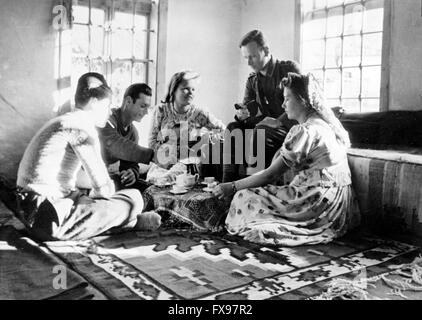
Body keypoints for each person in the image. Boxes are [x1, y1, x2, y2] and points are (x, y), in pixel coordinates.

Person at [213, 72, 360, 247]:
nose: (283, 105)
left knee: (243, 196)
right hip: (340, 202)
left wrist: (231, 186)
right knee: (265, 191)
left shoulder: (305, 131)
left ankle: (270, 225)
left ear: (304, 100)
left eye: (287, 99)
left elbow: (269, 176)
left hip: (316, 202)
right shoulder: (325, 126)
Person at [15, 73, 160, 241]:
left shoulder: (66, 120)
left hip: (30, 205)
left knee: (106, 198)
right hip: (46, 213)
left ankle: (115, 221)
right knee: (133, 198)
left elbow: (76, 179)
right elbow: (104, 189)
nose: (108, 112)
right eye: (107, 106)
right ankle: (130, 222)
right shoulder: (81, 127)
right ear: (94, 103)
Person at [222, 30, 301, 182]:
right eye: (246, 58)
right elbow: (249, 110)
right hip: (266, 127)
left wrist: (279, 121)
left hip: (290, 126)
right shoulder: (252, 79)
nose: (248, 63)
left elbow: (301, 102)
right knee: (233, 128)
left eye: (252, 57)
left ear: (266, 51)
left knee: (260, 132)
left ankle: (250, 186)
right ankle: (228, 186)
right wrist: (243, 115)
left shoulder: (289, 69)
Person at [148, 70, 225, 169]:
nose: (191, 93)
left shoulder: (199, 113)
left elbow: (224, 130)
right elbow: (152, 143)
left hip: (190, 165)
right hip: (163, 163)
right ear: (173, 90)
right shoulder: (160, 111)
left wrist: (205, 139)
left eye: (193, 89)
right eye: (186, 89)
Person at [98, 83, 154, 192]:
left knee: (151, 190)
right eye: (143, 106)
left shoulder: (133, 133)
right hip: (95, 180)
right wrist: (152, 156)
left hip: (115, 180)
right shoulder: (107, 119)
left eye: (147, 108)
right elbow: (116, 145)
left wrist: (132, 172)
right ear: (128, 101)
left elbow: (132, 164)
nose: (146, 112)